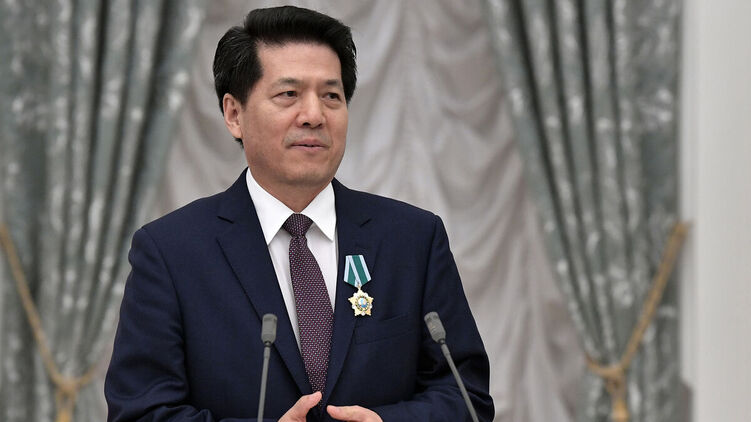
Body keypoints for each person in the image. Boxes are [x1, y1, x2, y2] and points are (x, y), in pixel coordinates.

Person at [105, 6, 493, 422]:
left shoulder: (412, 239)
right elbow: (141, 413)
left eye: (331, 96)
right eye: (288, 94)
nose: (314, 116)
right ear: (234, 114)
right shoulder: (171, 252)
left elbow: (466, 397)